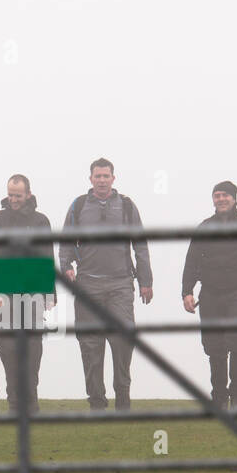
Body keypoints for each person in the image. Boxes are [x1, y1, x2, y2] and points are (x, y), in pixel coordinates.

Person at [59, 158, 153, 411]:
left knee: (123, 341)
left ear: (113, 178)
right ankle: (97, 402)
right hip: (87, 284)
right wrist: (66, 266)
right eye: (97, 176)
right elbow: (66, 242)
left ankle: (122, 396)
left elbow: (140, 244)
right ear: (90, 179)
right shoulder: (78, 206)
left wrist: (146, 281)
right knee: (90, 345)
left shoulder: (127, 206)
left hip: (121, 284)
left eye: (106, 176)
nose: (101, 180)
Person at [181, 180, 237, 409]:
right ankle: (219, 398)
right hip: (210, 294)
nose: (221, 199)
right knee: (214, 347)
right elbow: (191, 262)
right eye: (217, 195)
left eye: (225, 195)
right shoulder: (204, 227)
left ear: (234, 198)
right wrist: (186, 292)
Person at [0, 174, 53, 415]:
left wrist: (50, 293)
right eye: (10, 195)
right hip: (4, 293)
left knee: (32, 350)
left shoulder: (40, 221)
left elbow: (47, 255)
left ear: (28, 194)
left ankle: (31, 401)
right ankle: (14, 403)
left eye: (18, 195)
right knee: (7, 349)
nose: (13, 199)